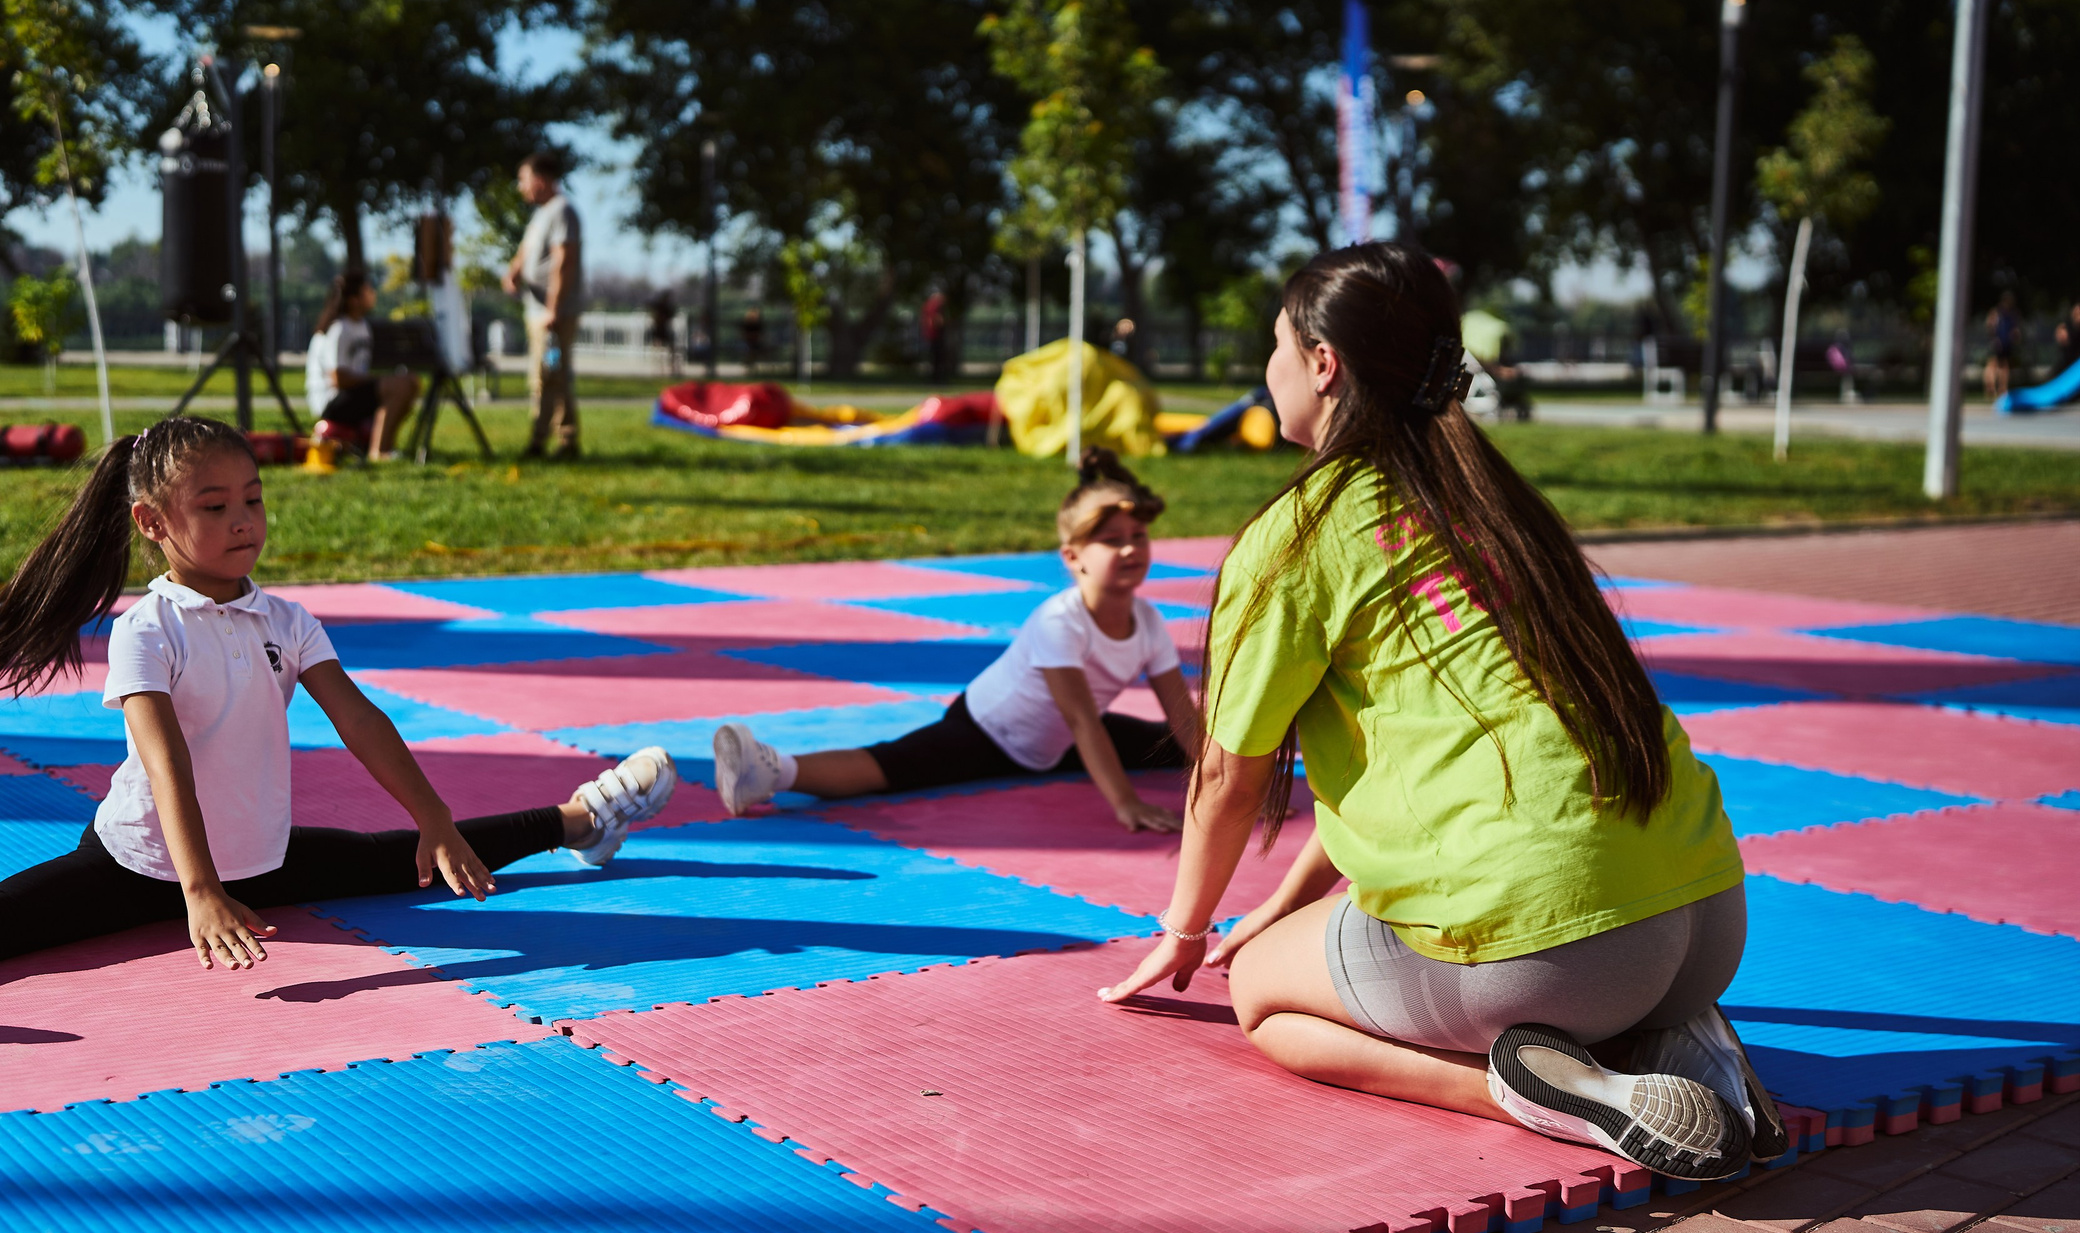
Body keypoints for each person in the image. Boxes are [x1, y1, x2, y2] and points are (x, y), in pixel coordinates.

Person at [1099, 242, 1769, 1183]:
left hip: (1561, 947)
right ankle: (1680, 1044)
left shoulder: (1301, 535)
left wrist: (1188, 930)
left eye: (1277, 346)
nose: (1268, 370)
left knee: (1261, 996)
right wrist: (1281, 909)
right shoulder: (1498, 503)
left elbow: (1229, 774)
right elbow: (1422, 756)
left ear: (1323, 363)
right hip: (1707, 915)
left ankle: (1563, 1092)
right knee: (1300, 945)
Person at [0, 415, 678, 1024]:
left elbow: (362, 722)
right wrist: (197, 890)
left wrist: (440, 820)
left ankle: (583, 818)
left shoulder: (285, 617)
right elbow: (163, 765)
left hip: (259, 860)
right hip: (143, 862)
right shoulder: (146, 630)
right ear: (154, 525)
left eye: (252, 499)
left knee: (400, 857)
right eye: (214, 506)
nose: (243, 520)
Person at [709, 450, 1200, 832]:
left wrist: (1228, 785)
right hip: (991, 731)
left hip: (1061, 741)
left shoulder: (1149, 620)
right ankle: (770, 769)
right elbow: (1081, 717)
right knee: (893, 766)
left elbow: (1180, 712)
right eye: (1113, 540)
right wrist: (1126, 804)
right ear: (1074, 557)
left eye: (1139, 535)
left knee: (1176, 745)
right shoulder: (1060, 621)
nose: (1132, 547)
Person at [501, 150, 582, 459]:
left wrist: (553, 308)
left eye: (523, 179)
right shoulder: (541, 215)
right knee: (548, 377)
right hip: (538, 311)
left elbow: (565, 261)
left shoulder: (562, 210)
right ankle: (555, 440)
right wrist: (514, 272)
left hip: (554, 314)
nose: (520, 186)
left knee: (550, 376)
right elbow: (525, 251)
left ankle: (556, 442)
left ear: (541, 180)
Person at [305, 270, 418, 457]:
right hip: (330, 402)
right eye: (368, 290)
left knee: (410, 383)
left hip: (350, 394)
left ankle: (385, 446)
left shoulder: (362, 326)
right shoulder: (339, 329)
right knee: (399, 386)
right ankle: (380, 451)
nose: (373, 294)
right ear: (354, 300)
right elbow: (338, 379)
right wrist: (379, 381)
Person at [1986, 292, 2020, 402]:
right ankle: (1993, 388)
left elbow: (2014, 330)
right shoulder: (1998, 313)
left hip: (2005, 342)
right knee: (1996, 365)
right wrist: (1994, 337)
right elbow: (1990, 324)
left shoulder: (2009, 314)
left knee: (2003, 366)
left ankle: (2001, 389)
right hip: (1999, 342)